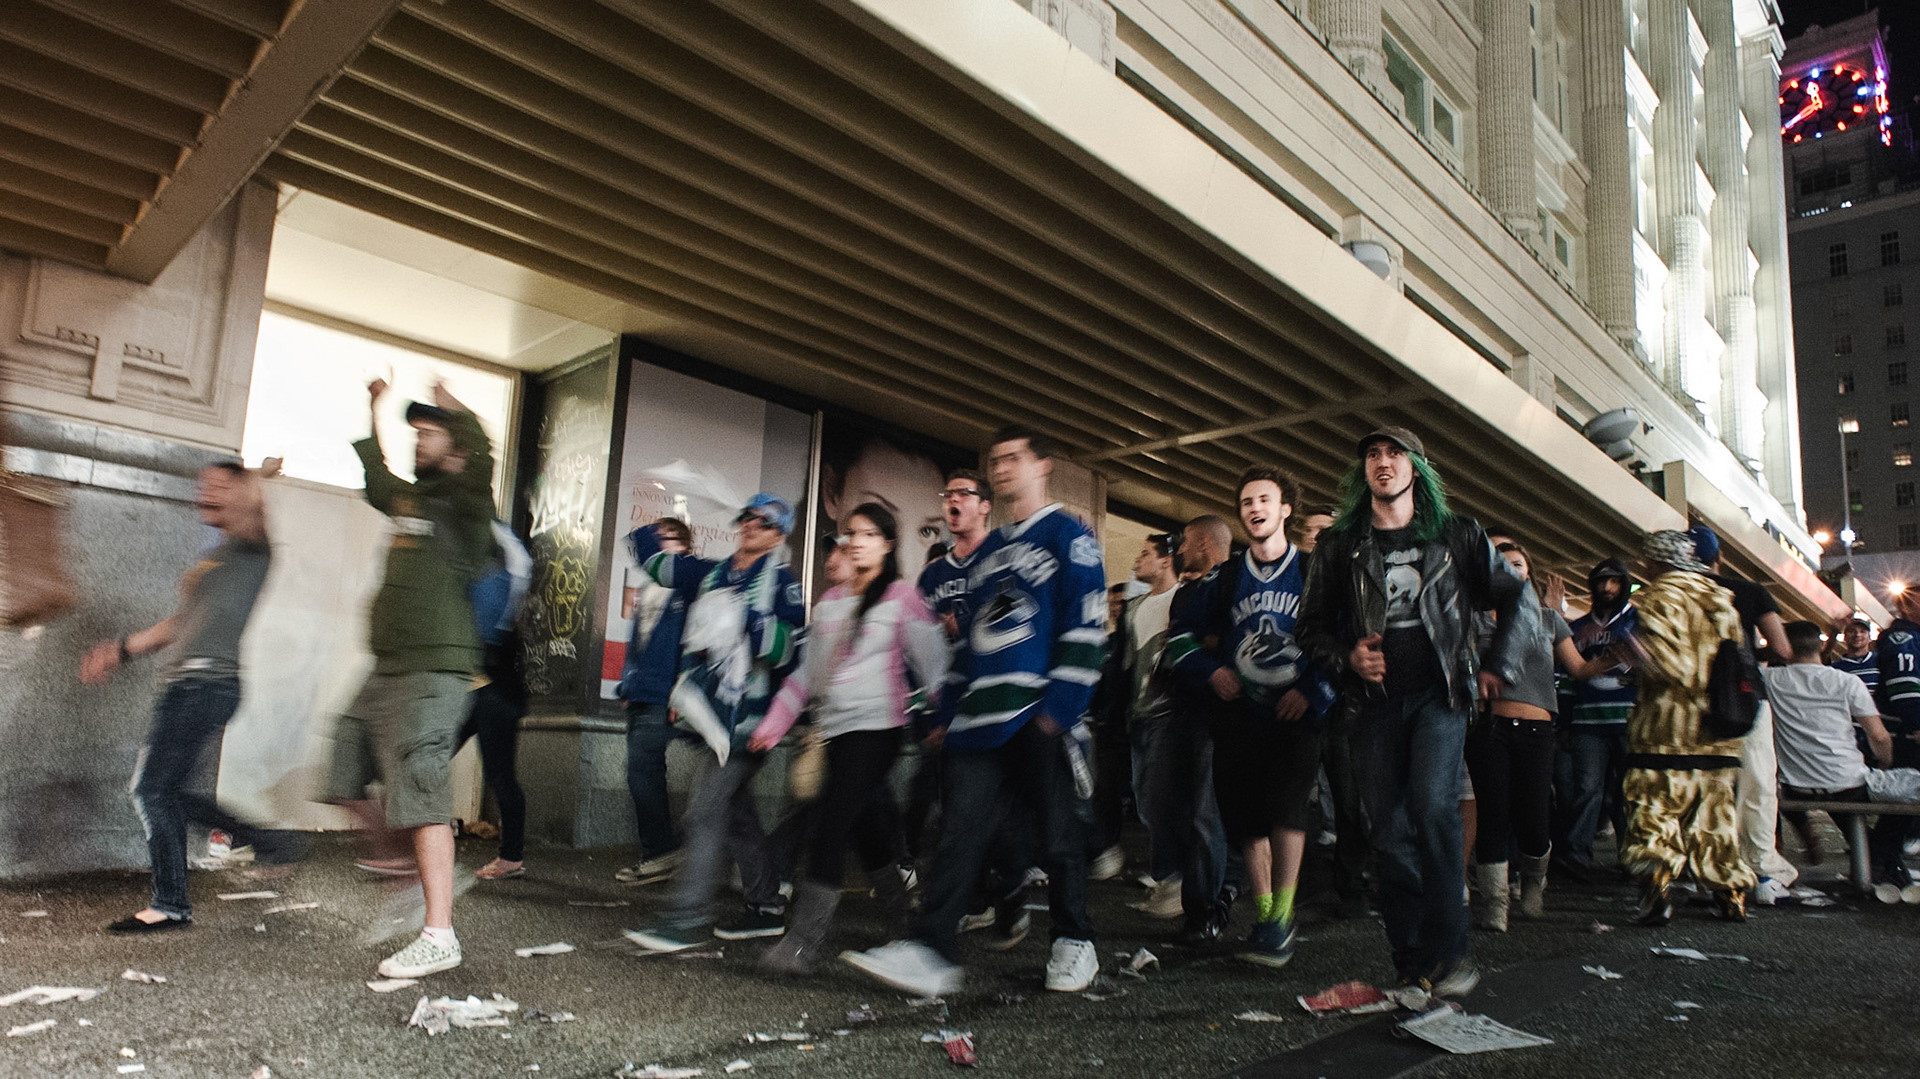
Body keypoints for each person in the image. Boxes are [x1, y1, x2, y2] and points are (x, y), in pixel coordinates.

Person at [843, 424, 1107, 997]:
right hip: (979, 722)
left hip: (1038, 711)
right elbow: (970, 644)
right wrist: (943, 714)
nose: (1004, 468)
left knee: (1058, 838)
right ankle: (933, 951)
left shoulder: (1069, 536)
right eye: (997, 460)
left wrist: (1062, 708)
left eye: (1014, 458)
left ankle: (1075, 942)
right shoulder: (990, 555)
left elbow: (1087, 625)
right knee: (959, 835)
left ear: (1043, 466)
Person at [1297, 427, 1536, 997]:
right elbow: (1308, 629)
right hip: (1372, 705)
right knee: (1390, 834)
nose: (1383, 462)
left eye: (1395, 454)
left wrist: (1496, 663)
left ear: (1417, 470)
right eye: (1373, 455)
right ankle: (1412, 959)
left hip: (1440, 697)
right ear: (1364, 474)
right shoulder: (1341, 545)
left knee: (1433, 810)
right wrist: (1348, 655)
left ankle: (1452, 957)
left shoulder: (1456, 536)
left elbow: (1518, 595)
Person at [324, 381, 496, 979]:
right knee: (344, 770)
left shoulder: (467, 504)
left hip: (436, 667)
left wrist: (461, 411)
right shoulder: (409, 501)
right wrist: (373, 407)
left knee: (422, 791)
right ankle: (404, 880)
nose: (418, 441)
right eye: (416, 434)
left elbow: (482, 453)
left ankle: (439, 932)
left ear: (457, 452)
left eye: (429, 434)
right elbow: (376, 474)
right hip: (386, 666)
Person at [85, 462, 297, 934]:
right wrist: (118, 650)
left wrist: (255, 480)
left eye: (220, 487)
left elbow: (253, 514)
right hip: (186, 684)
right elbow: (179, 624)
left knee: (153, 790)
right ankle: (258, 846)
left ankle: (178, 899)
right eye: (203, 487)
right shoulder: (214, 562)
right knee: (167, 791)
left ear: (240, 495)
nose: (206, 494)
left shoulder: (253, 549)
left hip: (208, 684)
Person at [748, 504, 949, 973]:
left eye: (867, 534)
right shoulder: (832, 603)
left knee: (831, 824)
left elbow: (934, 665)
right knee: (870, 831)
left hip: (879, 729)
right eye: (849, 533)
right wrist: (774, 724)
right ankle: (904, 926)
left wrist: (944, 718)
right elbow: (806, 677)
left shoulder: (901, 598)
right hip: (835, 730)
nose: (855, 541)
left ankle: (803, 942)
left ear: (888, 544)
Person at [622, 494, 806, 952]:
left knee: (704, 812)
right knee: (735, 814)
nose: (750, 525)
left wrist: (747, 622)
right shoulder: (711, 574)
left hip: (750, 725)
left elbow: (792, 654)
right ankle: (765, 904)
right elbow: (657, 566)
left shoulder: (783, 585)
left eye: (763, 522)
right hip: (709, 719)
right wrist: (649, 519)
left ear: (779, 535)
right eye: (746, 517)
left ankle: (685, 917)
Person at [1168, 467, 1335, 966]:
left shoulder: (1314, 572)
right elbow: (1179, 639)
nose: (1255, 508)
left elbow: (1343, 642)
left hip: (1297, 713)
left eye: (1264, 499)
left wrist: (1312, 690)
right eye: (1245, 502)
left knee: (1286, 808)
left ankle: (1283, 918)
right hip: (1240, 713)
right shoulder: (1223, 579)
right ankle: (1266, 916)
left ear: (1286, 509)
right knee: (1246, 819)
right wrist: (1209, 671)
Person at [1466, 537, 1614, 929]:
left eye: (1518, 564)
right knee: (1493, 815)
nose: (1511, 570)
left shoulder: (1548, 620)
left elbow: (1579, 670)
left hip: (1537, 730)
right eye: (1503, 564)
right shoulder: (1474, 617)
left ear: (1528, 571)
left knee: (1534, 820)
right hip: (1489, 728)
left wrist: (1618, 657)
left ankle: (1534, 882)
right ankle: (1496, 905)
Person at [1617, 530, 1755, 925]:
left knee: (1653, 809)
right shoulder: (1720, 599)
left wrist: (1632, 655)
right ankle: (1730, 894)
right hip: (1718, 730)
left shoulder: (1660, 596)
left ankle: (1657, 887)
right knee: (1715, 817)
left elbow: (1670, 665)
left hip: (1667, 729)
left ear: (1658, 562)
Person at [1687, 524, 1798, 904]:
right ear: (1719, 558)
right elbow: (1783, 650)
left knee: (1708, 786)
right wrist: (1747, 658)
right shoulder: (1750, 591)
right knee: (1757, 783)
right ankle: (1762, 870)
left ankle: (1711, 868)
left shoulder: (1679, 595)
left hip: (1695, 700)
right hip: (1745, 697)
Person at [1767, 620, 1916, 896]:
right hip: (1848, 782)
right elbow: (1880, 737)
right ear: (1821, 645)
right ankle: (1884, 854)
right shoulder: (1848, 681)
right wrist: (1884, 763)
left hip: (1793, 785)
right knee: (1909, 784)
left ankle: (1874, 858)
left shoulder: (1771, 680)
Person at [1141, 514, 1236, 933]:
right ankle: (1179, 888)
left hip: (1218, 713)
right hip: (1178, 709)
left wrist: (1201, 647)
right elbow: (1181, 644)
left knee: (1204, 812)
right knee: (1161, 801)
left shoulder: (1236, 584)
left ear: (1204, 544)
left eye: (1185, 543)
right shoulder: (1189, 593)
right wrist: (1201, 646)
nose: (1178, 551)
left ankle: (1204, 910)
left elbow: (1229, 642)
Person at [1090, 532, 1180, 883]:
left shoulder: (1181, 600)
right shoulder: (1134, 608)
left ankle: (1170, 873)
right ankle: (1167, 873)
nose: (1137, 560)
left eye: (1146, 553)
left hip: (1168, 714)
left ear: (1166, 561)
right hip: (1137, 715)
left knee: (1160, 795)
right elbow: (1124, 667)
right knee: (1144, 797)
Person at [614, 517, 694, 886]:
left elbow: (692, 646)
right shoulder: (648, 589)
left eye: (671, 539)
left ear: (685, 547)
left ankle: (661, 852)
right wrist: (626, 687)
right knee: (645, 775)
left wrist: (681, 690)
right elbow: (637, 645)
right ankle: (659, 853)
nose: (662, 544)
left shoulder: (687, 591)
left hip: (664, 694)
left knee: (641, 774)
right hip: (640, 693)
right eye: (659, 538)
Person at [1554, 558, 1638, 880]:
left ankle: (1633, 857)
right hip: (1588, 723)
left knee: (1629, 791)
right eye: (1601, 582)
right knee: (1586, 788)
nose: (1607, 588)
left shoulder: (1639, 621)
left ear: (1625, 584)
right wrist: (1564, 723)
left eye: (1614, 581)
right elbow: (1565, 676)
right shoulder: (1576, 628)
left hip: (1630, 720)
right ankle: (1577, 857)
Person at [463, 623, 531, 880]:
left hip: (491, 692)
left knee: (501, 777)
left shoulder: (494, 589)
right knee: (427, 759)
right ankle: (510, 857)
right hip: (484, 691)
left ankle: (511, 857)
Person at [1871, 588, 1920, 887]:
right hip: (1907, 734)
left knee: (1902, 806)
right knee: (1901, 802)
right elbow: (1905, 691)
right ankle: (1881, 860)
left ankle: (1884, 859)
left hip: (1907, 731)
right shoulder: (1904, 638)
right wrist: (1918, 724)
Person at [1830, 613, 1879, 696]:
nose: (1857, 635)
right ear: (1844, 637)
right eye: (1851, 631)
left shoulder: (1881, 661)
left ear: (1869, 637)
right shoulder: (1836, 669)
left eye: (1862, 631)